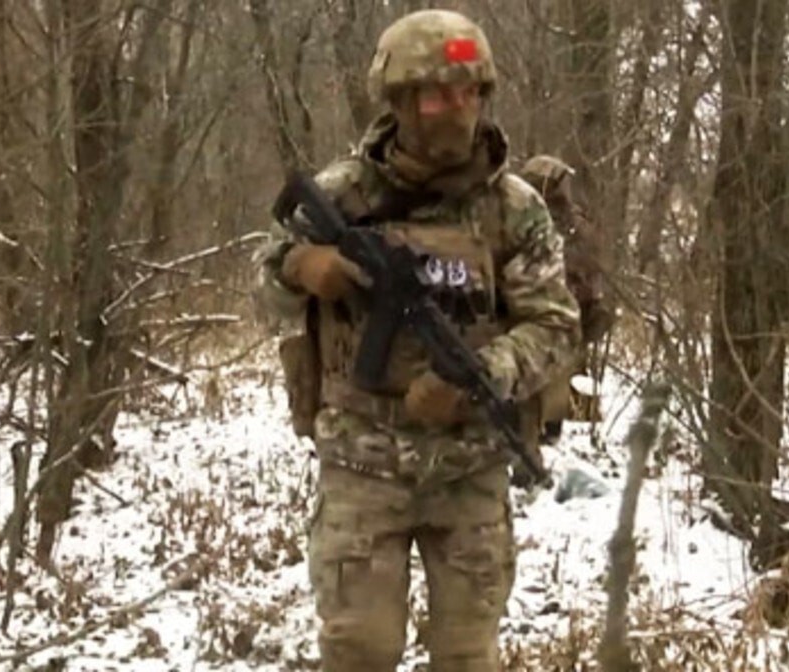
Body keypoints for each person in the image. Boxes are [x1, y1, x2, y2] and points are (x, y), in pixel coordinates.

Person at [254, 10, 580, 671]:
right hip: (360, 467)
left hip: (470, 472)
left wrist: (480, 373)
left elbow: (555, 326)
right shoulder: (346, 193)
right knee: (358, 652)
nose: (454, 110)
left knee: (466, 656)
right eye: (435, 94)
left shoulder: (514, 208)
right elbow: (265, 283)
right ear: (400, 101)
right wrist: (300, 268)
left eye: (469, 93)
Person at [518, 155, 615, 443]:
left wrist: (591, 306)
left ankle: (544, 435)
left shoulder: (572, 225)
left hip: (559, 319)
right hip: (529, 317)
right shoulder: (516, 215)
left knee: (547, 390)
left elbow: (589, 270)